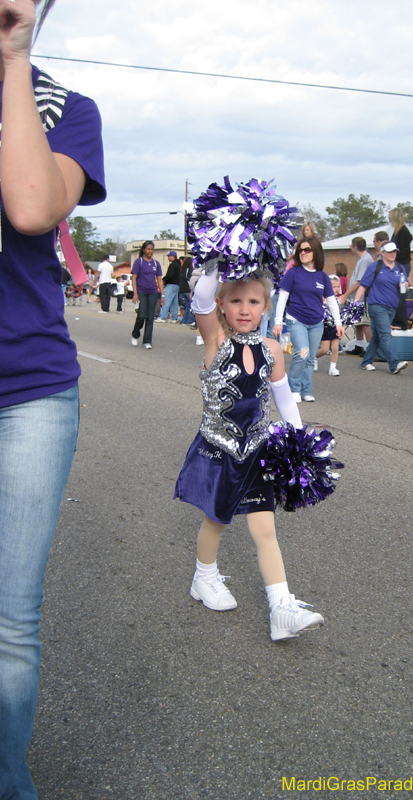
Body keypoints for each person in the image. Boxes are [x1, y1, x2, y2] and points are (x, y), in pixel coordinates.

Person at [0, 2, 106, 797]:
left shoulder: (67, 109)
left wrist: (11, 62)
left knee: (8, 624)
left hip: (28, 389)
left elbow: (32, 210)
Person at [175, 270, 325, 641]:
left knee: (265, 529)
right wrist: (228, 254)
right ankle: (204, 578)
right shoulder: (215, 338)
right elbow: (202, 298)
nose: (244, 309)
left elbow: (283, 398)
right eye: (236, 300)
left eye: (253, 302)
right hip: (218, 451)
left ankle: (281, 607)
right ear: (223, 305)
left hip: (258, 451)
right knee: (217, 520)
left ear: (266, 308)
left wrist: (299, 442)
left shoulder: (272, 349)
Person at [272, 237, 343, 403]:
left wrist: (338, 323)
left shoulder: (322, 276)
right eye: (301, 250)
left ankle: (306, 390)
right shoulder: (293, 273)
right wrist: (278, 321)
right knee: (302, 353)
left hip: (316, 322)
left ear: (315, 252)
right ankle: (294, 388)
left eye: (307, 250)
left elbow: (331, 300)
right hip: (296, 319)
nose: (303, 253)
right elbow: (283, 297)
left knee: (311, 357)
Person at [354, 242, 409, 375]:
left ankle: (366, 361)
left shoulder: (400, 268)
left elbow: (406, 285)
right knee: (385, 335)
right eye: (389, 252)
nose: (392, 254)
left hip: (392, 307)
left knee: (377, 336)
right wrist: (356, 302)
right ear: (382, 253)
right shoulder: (375, 267)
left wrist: (406, 286)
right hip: (377, 306)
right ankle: (394, 363)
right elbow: (363, 285)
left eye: (394, 251)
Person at [339, 236, 374, 355]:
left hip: (363, 297)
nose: (350, 247)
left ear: (355, 247)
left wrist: (345, 295)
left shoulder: (365, 259)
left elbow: (359, 281)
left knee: (365, 323)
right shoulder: (361, 259)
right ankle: (359, 345)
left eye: (351, 245)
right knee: (358, 322)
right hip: (356, 297)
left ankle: (370, 348)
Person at [130, 240, 164, 349]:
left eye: (152, 249)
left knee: (150, 317)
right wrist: (135, 294)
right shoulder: (138, 262)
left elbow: (159, 279)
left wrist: (162, 295)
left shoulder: (156, 264)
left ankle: (147, 341)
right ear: (144, 250)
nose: (150, 251)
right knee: (141, 315)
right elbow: (134, 278)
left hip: (153, 292)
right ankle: (135, 334)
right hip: (141, 291)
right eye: (148, 249)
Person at [315, 275, 342, 376]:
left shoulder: (338, 300)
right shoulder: (322, 299)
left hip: (334, 326)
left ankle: (333, 368)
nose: (336, 289)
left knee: (335, 348)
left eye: (338, 287)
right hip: (325, 326)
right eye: (334, 287)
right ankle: (315, 357)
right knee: (325, 350)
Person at [157, 249, 181, 323]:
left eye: (169, 256)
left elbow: (170, 275)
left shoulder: (173, 265)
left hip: (171, 285)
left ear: (172, 256)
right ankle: (174, 318)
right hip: (177, 285)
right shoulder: (179, 265)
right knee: (174, 303)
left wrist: (164, 280)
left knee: (166, 301)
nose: (168, 257)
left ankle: (162, 317)